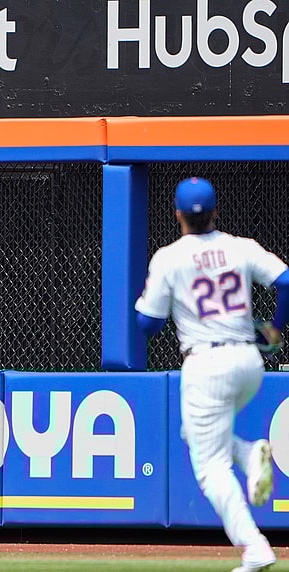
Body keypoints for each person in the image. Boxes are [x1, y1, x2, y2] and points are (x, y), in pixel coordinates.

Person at [135, 177, 289, 572]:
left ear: (178, 215)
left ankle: (255, 547)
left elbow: (147, 324)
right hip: (249, 362)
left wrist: (155, 300)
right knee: (196, 433)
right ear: (216, 212)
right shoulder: (240, 247)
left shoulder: (169, 257)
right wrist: (275, 327)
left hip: (207, 365)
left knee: (209, 467)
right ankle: (249, 452)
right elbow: (286, 280)